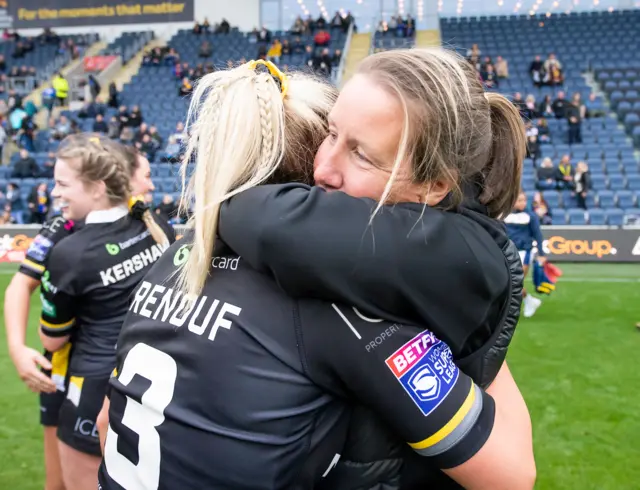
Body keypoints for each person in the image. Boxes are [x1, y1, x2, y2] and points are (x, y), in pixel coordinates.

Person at [98, 58, 534, 489]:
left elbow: (107, 421)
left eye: (361, 154)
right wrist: (473, 328)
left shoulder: (177, 258)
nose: (325, 168)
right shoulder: (343, 311)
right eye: (329, 135)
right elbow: (511, 475)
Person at [4, 142, 159, 490]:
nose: (149, 184)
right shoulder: (63, 225)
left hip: (102, 377)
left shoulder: (146, 224)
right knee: (59, 480)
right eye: (145, 175)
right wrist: (16, 348)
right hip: (64, 373)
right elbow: (19, 286)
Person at [504, 190, 547, 318]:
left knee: (514, 282)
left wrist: (541, 253)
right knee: (508, 283)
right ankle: (529, 301)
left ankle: (521, 305)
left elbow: (538, 236)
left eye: (524, 200)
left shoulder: (531, 216)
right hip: (507, 251)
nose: (522, 203)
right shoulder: (504, 214)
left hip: (524, 252)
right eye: (519, 200)